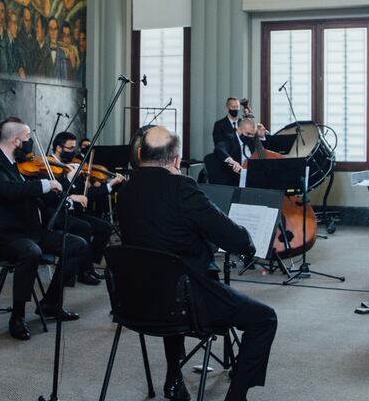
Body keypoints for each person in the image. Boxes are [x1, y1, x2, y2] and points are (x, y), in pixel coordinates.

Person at [117, 126, 277, 401]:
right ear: (177, 160)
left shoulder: (126, 191)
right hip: (188, 304)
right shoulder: (182, 187)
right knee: (264, 319)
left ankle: (173, 378)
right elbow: (235, 238)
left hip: (135, 300)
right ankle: (236, 396)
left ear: (140, 154)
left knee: (167, 278)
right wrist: (247, 244)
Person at [0, 120, 88, 340]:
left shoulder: (15, 163)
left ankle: (50, 303)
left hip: (30, 231)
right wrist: (45, 185)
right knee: (31, 252)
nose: (30, 143)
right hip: (6, 237)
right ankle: (17, 316)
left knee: (77, 245)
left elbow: (32, 195)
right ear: (16, 140)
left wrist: (64, 195)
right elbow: (10, 191)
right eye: (27, 138)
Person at [49, 131, 122, 284]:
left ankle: (88, 265)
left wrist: (106, 184)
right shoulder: (49, 167)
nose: (74, 152)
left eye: (75, 148)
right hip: (57, 214)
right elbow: (54, 197)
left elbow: (83, 194)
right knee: (85, 227)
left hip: (74, 212)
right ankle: (83, 270)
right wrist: (69, 180)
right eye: (70, 148)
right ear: (58, 148)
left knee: (105, 228)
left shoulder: (69, 167)